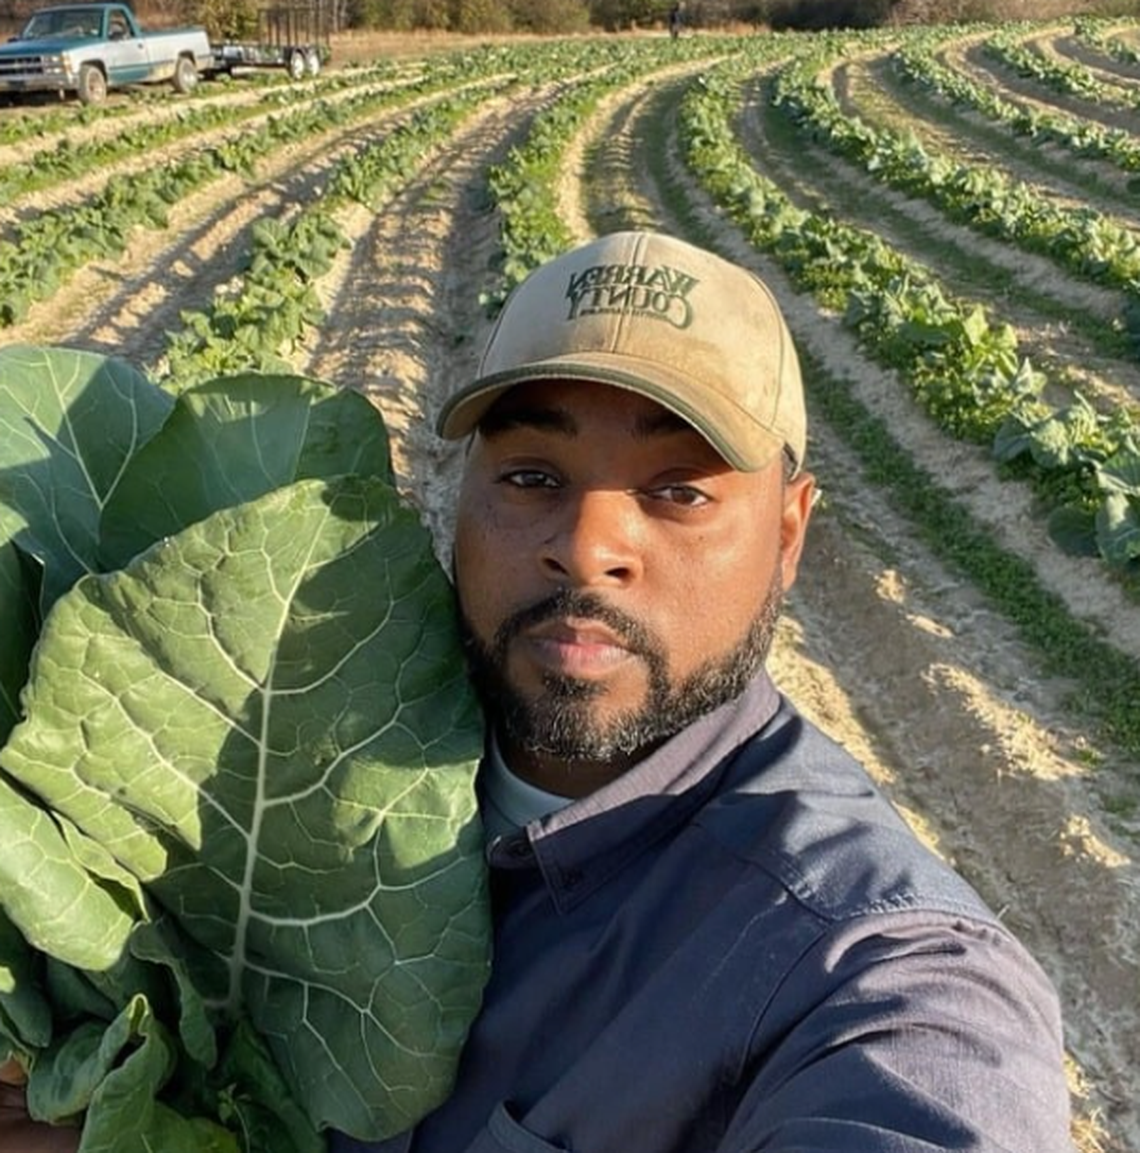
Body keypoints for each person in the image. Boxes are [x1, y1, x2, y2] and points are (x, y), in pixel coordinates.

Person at [0, 232, 1073, 1152]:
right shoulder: (267, 741)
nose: (588, 544)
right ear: (455, 494)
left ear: (789, 531)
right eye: (531, 477)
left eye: (679, 490)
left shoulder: (861, 969)